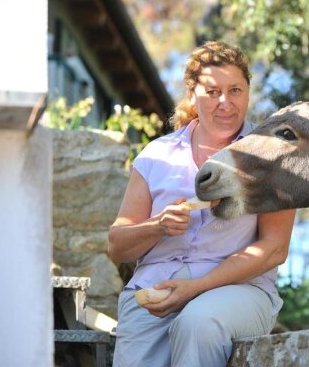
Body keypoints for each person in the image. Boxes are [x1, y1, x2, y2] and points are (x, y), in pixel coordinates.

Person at [108, 41, 296, 367]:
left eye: (235, 90)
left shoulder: (271, 157)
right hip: (153, 292)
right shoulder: (156, 155)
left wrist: (196, 288)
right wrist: (158, 226)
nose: (225, 102)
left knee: (198, 323)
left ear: (248, 93)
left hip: (239, 291)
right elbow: (117, 247)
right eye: (212, 91)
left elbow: (274, 248)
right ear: (193, 94)